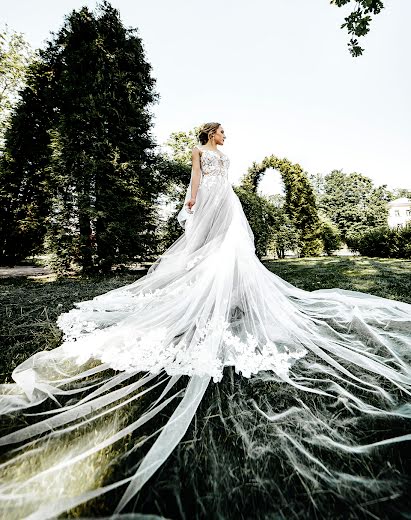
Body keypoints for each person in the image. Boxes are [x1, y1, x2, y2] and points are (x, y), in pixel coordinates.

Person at [0, 122, 410, 519]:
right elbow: (196, 179)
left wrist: (227, 200)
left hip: (227, 201)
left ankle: (228, 291)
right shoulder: (198, 152)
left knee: (231, 250)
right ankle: (205, 289)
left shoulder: (225, 156)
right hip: (209, 199)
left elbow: (223, 180)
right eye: (222, 131)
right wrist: (192, 202)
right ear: (210, 132)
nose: (226, 136)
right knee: (206, 251)